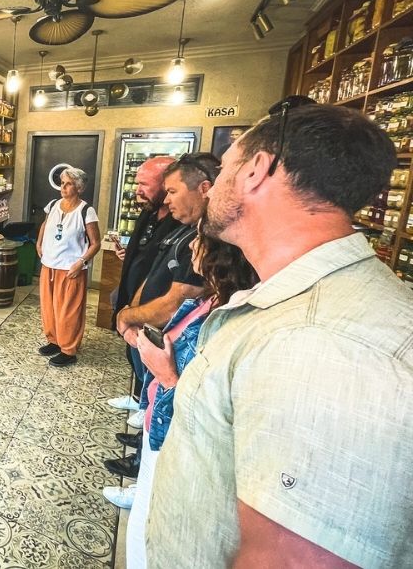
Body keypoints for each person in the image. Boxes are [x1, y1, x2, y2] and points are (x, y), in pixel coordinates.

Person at [148, 103, 412, 568]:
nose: (211, 190)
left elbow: (292, 559)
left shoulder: (322, 343)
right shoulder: (296, 302)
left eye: (226, 167)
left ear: (256, 171)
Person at [116, 217, 257, 568]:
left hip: (176, 437)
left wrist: (164, 373)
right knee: (145, 514)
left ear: (221, 256)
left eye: (199, 241)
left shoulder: (227, 318)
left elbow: (198, 390)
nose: (192, 247)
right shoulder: (209, 302)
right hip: (160, 426)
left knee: (151, 526)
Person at [107, 152, 216, 481]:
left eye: (170, 191)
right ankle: (142, 422)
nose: (138, 189)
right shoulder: (166, 221)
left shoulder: (197, 236)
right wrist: (128, 311)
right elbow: (152, 272)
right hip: (146, 324)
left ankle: (143, 464)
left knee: (162, 398)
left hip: (166, 333)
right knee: (148, 384)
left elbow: (179, 296)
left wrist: (130, 314)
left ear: (204, 189)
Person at [106, 156, 177, 423]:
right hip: (131, 295)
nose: (138, 191)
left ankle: (147, 407)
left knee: (149, 354)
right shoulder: (148, 212)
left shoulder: (179, 220)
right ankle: (137, 398)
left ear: (165, 184)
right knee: (133, 353)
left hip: (153, 304)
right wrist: (129, 253)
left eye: (145, 185)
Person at [35, 166, 101, 366]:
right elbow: (45, 225)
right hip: (50, 265)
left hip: (71, 269)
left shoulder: (86, 211)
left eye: (69, 184)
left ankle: (69, 349)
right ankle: (54, 340)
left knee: (68, 310)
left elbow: (95, 243)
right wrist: (39, 243)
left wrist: (80, 262)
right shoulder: (54, 204)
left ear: (79, 187)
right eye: (62, 183)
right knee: (49, 307)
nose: (63, 187)